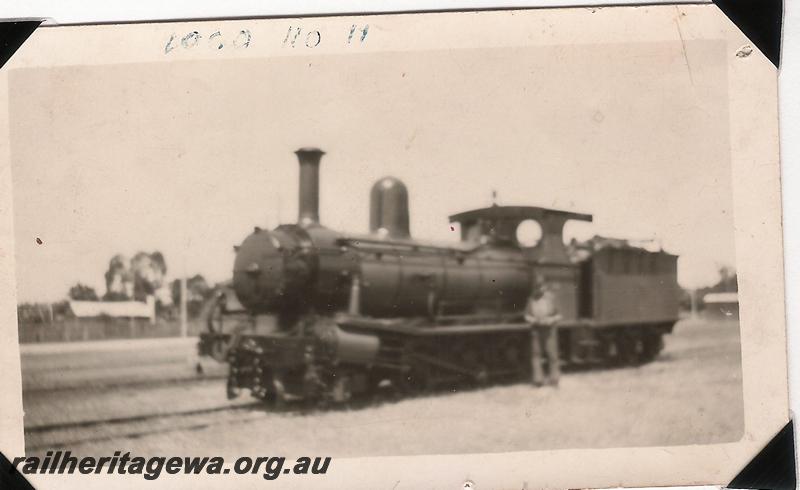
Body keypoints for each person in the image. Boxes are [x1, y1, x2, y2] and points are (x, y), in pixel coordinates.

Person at [525, 275, 562, 387]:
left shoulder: (551, 299)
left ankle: (554, 379)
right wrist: (533, 320)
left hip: (549, 331)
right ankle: (538, 380)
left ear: (545, 286)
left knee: (552, 355)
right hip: (536, 330)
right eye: (537, 286)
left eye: (541, 286)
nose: (539, 289)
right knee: (536, 355)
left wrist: (551, 320)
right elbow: (526, 315)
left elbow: (559, 315)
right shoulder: (531, 300)